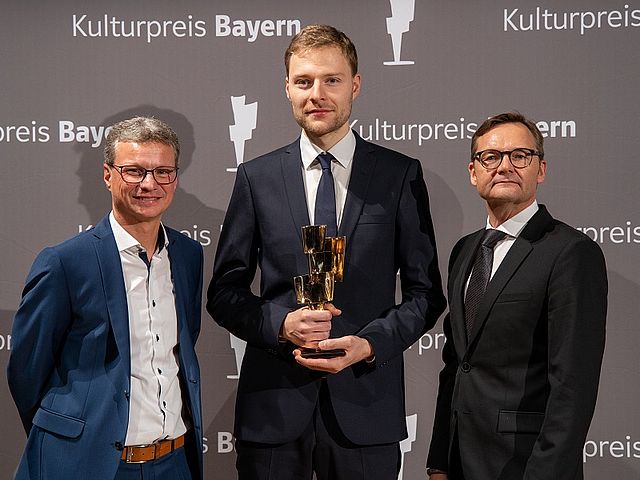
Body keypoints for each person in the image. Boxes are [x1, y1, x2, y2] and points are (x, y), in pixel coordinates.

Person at [208, 24, 445, 480]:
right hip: (273, 411)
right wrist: (279, 324)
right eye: (304, 81)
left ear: (355, 85)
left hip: (365, 407)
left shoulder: (398, 175)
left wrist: (369, 344)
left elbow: (426, 293)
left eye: (331, 80)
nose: (317, 94)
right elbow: (224, 292)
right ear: (287, 89)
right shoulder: (257, 177)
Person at [7, 117, 204, 480]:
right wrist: (69, 436)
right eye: (134, 171)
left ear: (175, 178)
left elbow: (185, 344)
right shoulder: (65, 262)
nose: (150, 184)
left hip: (175, 462)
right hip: (89, 464)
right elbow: (27, 371)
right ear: (107, 174)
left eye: (163, 171)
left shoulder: (189, 255)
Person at [426, 112, 607, 480]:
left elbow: (572, 385)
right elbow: (455, 366)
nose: (504, 166)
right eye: (490, 157)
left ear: (540, 169)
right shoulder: (464, 251)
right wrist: (439, 461)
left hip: (527, 464)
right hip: (461, 460)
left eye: (519, 156)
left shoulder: (571, 252)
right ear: (473, 172)